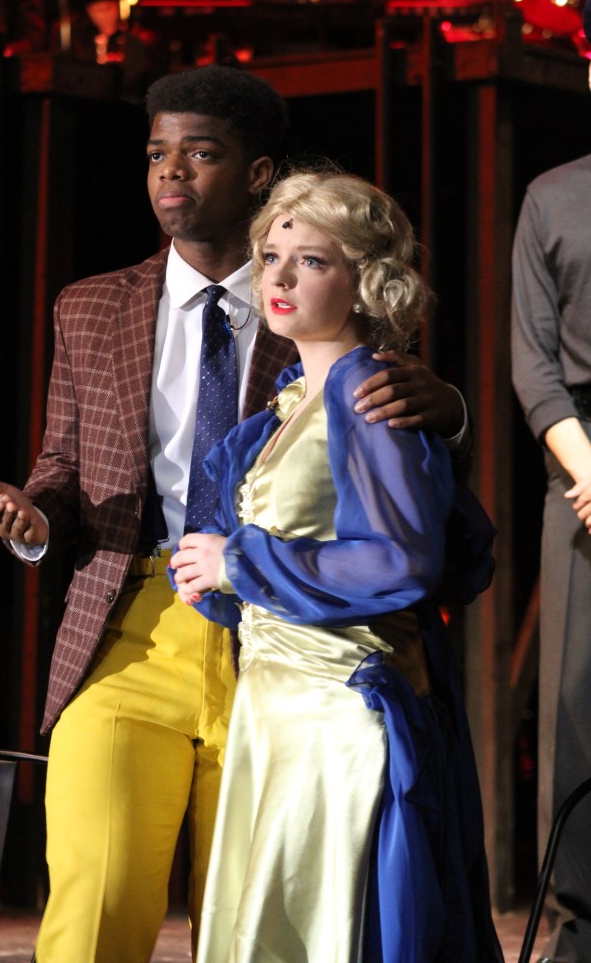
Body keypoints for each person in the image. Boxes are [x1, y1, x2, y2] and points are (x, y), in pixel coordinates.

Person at [0, 65, 470, 962]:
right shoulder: (90, 308)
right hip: (135, 620)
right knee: (93, 892)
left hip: (287, 640)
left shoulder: (315, 309)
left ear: (258, 174)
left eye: (200, 154)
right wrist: (36, 520)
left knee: (247, 916)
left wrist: (451, 411)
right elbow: (62, 465)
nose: (171, 172)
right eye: (155, 154)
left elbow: (403, 487)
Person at [170, 168, 503, 963]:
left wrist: (238, 564)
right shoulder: (289, 407)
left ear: (364, 282)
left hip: (335, 720)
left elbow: (400, 562)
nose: (279, 278)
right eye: (271, 256)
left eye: (312, 261)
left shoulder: (368, 397)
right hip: (276, 713)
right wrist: (213, 576)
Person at [512, 144, 591, 960]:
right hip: (581, 470)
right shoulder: (553, 196)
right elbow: (534, 368)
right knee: (577, 708)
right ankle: (580, 930)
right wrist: (588, 469)